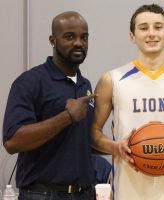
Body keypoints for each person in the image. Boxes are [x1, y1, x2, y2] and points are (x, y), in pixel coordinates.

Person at [91, 4, 164, 200]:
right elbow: (92, 133)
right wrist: (116, 148)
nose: (151, 33)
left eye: (158, 27)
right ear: (132, 36)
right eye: (143, 28)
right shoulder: (112, 79)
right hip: (127, 188)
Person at [3, 11, 97, 200]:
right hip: (43, 194)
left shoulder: (85, 85)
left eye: (84, 37)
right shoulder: (30, 82)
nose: (78, 43)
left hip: (84, 193)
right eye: (69, 36)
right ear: (53, 40)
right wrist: (67, 117)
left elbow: (81, 141)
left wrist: (120, 147)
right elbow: (12, 142)